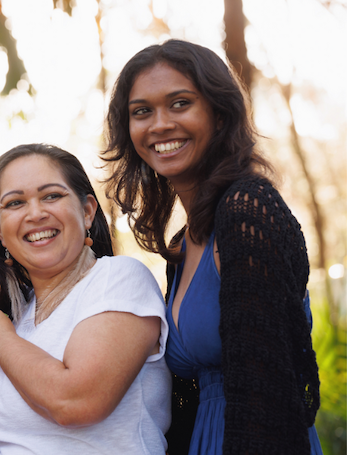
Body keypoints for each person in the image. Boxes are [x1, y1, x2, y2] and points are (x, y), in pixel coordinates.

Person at [103, 39, 322, 455]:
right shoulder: (182, 247)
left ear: (219, 115)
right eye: (142, 111)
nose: (159, 124)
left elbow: (269, 385)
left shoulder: (248, 210)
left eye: (180, 103)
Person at [0, 144, 171, 454]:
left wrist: (1, 341)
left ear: (87, 211)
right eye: (16, 202)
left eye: (51, 196)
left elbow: (77, 402)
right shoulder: (18, 313)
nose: (35, 213)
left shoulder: (118, 279)